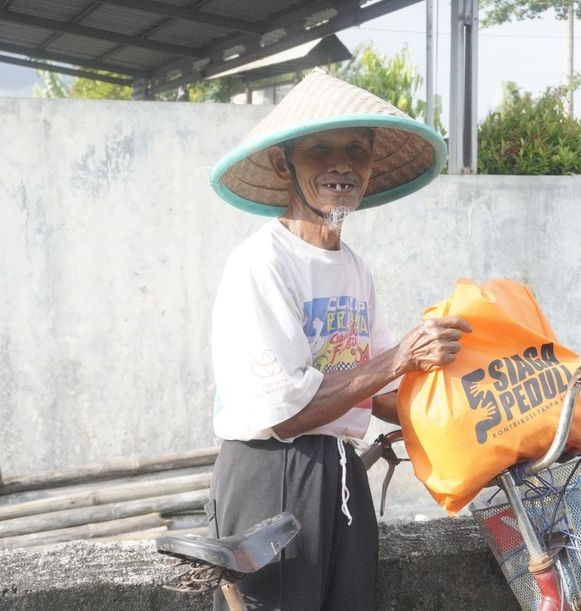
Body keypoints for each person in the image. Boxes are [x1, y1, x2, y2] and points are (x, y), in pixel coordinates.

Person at [207, 69, 470, 610]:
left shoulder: (355, 269)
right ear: (285, 164)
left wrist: (479, 410)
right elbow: (286, 411)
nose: (341, 164)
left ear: (371, 167)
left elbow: (376, 391)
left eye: (356, 149)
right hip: (271, 471)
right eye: (320, 150)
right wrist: (401, 357)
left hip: (342, 472)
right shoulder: (262, 262)